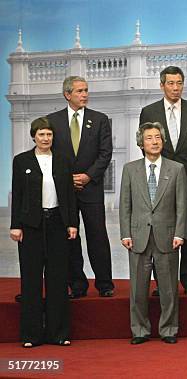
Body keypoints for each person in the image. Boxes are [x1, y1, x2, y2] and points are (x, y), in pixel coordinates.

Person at [10, 117, 78, 347]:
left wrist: (72, 223)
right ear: (33, 136)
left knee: (57, 279)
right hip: (31, 227)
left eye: (49, 134)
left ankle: (58, 333)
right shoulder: (21, 161)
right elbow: (18, 195)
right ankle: (31, 335)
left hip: (58, 223)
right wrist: (15, 225)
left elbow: (69, 195)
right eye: (41, 134)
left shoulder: (63, 160)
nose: (46, 138)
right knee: (31, 280)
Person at [119, 122, 187, 345]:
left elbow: (182, 205)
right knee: (138, 289)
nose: (154, 141)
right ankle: (139, 330)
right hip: (137, 237)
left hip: (167, 236)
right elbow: (125, 205)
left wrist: (180, 233)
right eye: (149, 138)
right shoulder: (130, 169)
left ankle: (169, 329)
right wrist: (125, 233)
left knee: (168, 289)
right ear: (141, 143)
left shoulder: (176, 169)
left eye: (158, 137)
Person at [140, 66, 187, 296]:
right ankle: (163, 283)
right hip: (159, 183)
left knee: (186, 229)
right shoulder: (148, 111)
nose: (175, 88)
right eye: (170, 83)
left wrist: (181, 168)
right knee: (161, 233)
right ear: (162, 85)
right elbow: (146, 146)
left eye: (179, 83)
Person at [46, 76, 114, 298]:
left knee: (98, 236)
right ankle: (77, 284)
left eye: (86, 90)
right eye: (79, 91)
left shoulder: (100, 119)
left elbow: (105, 154)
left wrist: (88, 176)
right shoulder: (52, 121)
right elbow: (50, 156)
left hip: (91, 188)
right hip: (64, 192)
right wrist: (67, 178)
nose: (85, 94)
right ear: (67, 94)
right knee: (70, 238)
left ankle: (105, 284)